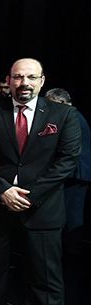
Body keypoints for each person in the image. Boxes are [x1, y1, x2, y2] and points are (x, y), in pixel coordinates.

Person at [0, 58, 80, 305]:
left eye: (31, 78)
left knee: (46, 278)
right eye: (18, 77)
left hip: (43, 209)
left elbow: (67, 161)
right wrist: (3, 190)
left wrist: (30, 196)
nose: (24, 83)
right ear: (8, 80)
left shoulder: (64, 115)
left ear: (42, 80)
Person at [44, 88, 91, 254]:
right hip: (74, 174)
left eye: (51, 105)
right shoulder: (73, 115)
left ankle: (71, 256)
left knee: (72, 218)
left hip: (75, 175)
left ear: (62, 103)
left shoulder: (72, 117)